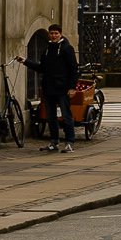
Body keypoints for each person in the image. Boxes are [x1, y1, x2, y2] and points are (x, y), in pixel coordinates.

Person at [36, 22, 79, 153]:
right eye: (51, 33)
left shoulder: (66, 48)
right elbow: (42, 68)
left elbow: (73, 69)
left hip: (62, 88)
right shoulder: (48, 49)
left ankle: (70, 142)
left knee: (66, 116)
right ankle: (54, 141)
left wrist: (72, 87)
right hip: (49, 88)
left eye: (56, 33)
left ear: (60, 34)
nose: (53, 35)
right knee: (51, 117)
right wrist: (25, 62)